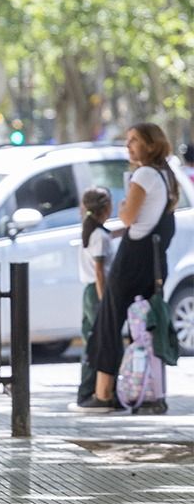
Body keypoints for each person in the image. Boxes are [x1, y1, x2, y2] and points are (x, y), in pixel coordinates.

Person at [79, 122, 179, 412]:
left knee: (109, 320)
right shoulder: (167, 175)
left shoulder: (145, 174)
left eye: (134, 140)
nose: (128, 146)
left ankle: (103, 392)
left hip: (133, 257)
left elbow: (127, 216)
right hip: (152, 259)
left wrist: (123, 205)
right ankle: (148, 390)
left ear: (151, 144)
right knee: (144, 325)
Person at [70, 186, 113, 409]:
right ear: (106, 208)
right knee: (99, 341)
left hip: (89, 291)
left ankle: (85, 391)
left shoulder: (91, 231)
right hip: (97, 292)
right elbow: (99, 271)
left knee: (90, 341)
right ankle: (92, 391)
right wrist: (104, 299)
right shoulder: (99, 236)